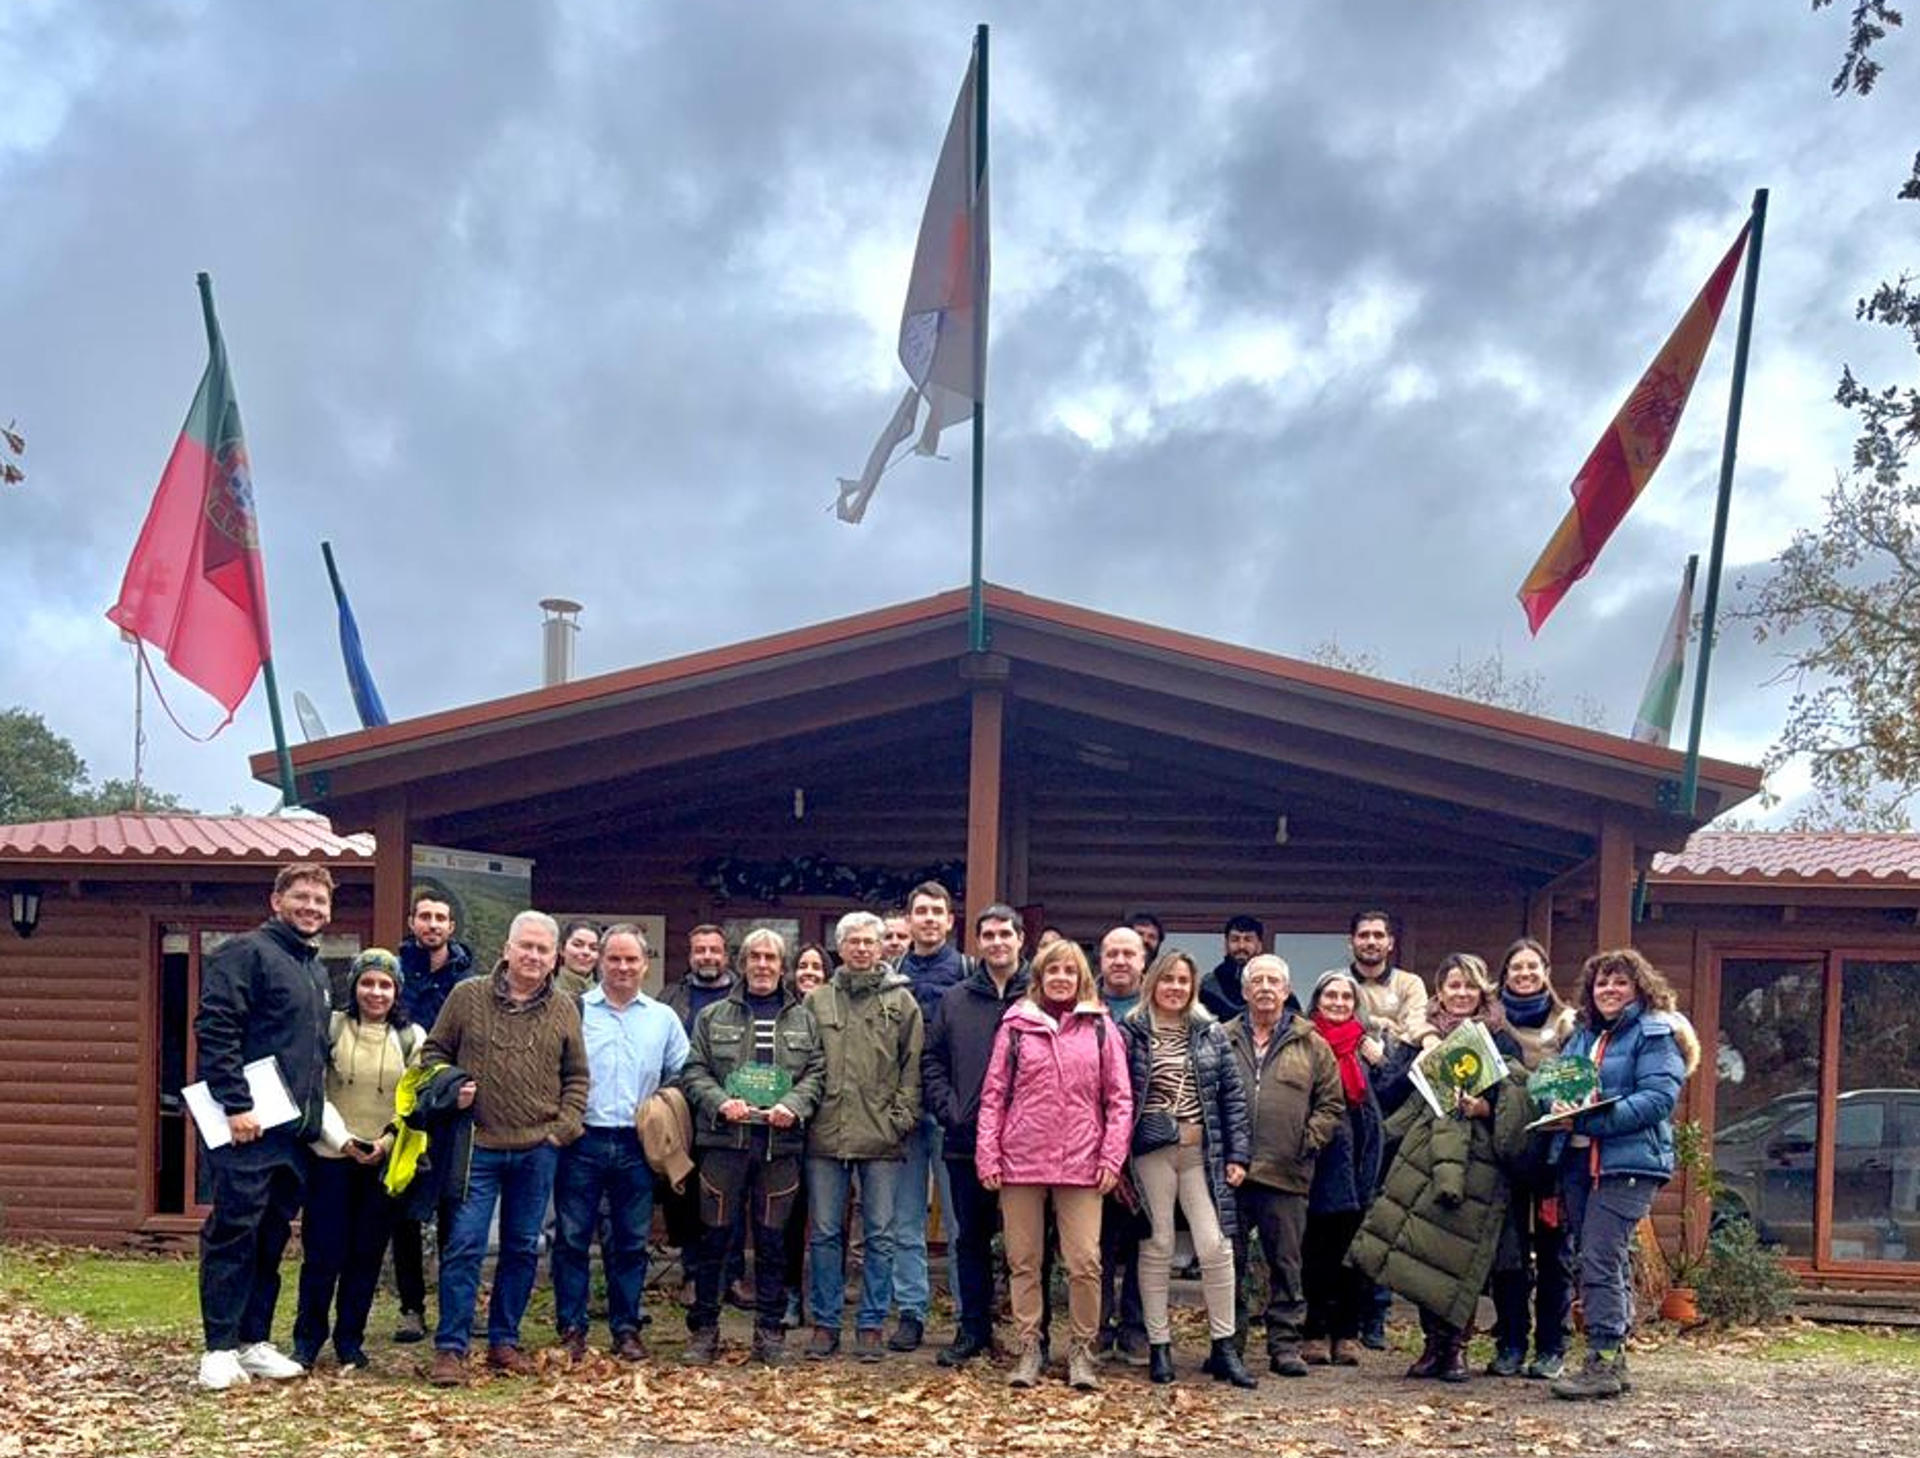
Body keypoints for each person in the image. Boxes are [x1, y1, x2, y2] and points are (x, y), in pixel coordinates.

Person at [1349, 954, 1532, 1385]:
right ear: (1440, 991)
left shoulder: (1501, 1039)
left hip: (1480, 1164)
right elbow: (1389, 1090)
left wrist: (1486, 1108)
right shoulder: (1420, 1037)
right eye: (1454, 985)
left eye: (1469, 986)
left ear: (1482, 991)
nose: (1461, 993)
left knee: (1460, 1256)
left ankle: (1456, 1348)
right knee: (1424, 1251)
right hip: (1425, 1157)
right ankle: (1433, 1344)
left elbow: (1520, 1099)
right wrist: (1416, 1066)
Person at [423, 911, 589, 1386]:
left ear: (554, 959)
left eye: (542, 949)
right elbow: (433, 1053)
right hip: (477, 1146)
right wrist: (451, 1087)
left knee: (522, 1248)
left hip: (538, 1148)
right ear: (507, 949)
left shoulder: (565, 1008)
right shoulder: (466, 996)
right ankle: (451, 1348)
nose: (533, 956)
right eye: (526, 946)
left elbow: (577, 1076)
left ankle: (503, 1341)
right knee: (465, 1244)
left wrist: (562, 1128)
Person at [193, 863, 338, 1391]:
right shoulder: (246, 953)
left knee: (272, 1237)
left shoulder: (314, 969)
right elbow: (217, 1028)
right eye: (302, 897)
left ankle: (253, 1341)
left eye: (320, 901)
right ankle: (217, 1349)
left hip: (291, 1135)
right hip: (246, 1129)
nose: (311, 908)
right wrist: (235, 1103)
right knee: (234, 1233)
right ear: (276, 901)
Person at [976, 939, 1132, 1390]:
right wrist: (989, 1154)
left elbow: (1119, 1099)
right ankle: (1029, 1348)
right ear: (1039, 977)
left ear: (1081, 978)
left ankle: (1082, 1351)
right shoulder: (1016, 1027)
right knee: (1023, 1260)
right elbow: (994, 1096)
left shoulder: (1101, 1027)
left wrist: (1112, 1156)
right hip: (1021, 1160)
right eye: (1053, 971)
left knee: (1085, 1262)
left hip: (1082, 1161)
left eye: (1069, 971)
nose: (1061, 978)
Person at [1546, 948, 1696, 1401]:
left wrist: (1590, 1120)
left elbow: (1657, 1099)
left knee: (1599, 1257)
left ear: (1639, 988)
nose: (1609, 990)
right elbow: (1553, 1084)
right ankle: (1613, 1358)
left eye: (1619, 982)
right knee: (1599, 1258)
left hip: (1627, 1164)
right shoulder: (1581, 1035)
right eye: (1601, 983)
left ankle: (1604, 1360)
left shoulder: (1654, 1034)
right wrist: (1553, 1104)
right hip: (1578, 1162)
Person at [681, 928, 825, 1366]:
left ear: (783, 966)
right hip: (724, 1144)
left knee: (773, 1242)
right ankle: (705, 1330)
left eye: (771, 957)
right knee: (714, 1240)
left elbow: (817, 1073)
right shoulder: (713, 1016)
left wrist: (793, 1105)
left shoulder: (804, 1019)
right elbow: (694, 1070)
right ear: (742, 963)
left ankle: (770, 1333)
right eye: (755, 957)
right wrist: (720, 1102)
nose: (763, 965)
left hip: (779, 1147)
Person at [1121, 951, 1255, 1389]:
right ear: (1153, 983)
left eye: (1183, 980)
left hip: (1201, 1154)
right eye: (1168, 979)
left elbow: (1233, 1097)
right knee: (1158, 1243)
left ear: (1193, 986)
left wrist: (1238, 1156)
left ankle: (1224, 1347)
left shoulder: (1210, 1032)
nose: (1175, 987)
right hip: (1152, 1152)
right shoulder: (1131, 1032)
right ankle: (1159, 1346)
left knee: (1216, 1245)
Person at [553, 925, 686, 1363]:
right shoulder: (575, 1010)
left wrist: (663, 1111)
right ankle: (572, 1328)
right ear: (600, 961)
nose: (623, 967)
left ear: (645, 964)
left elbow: (683, 1073)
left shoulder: (662, 1018)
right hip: (581, 1140)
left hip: (637, 1145)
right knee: (572, 1238)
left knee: (630, 1241)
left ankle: (626, 1328)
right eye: (614, 958)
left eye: (631, 960)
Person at [292, 948, 422, 1371]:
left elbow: (414, 1100)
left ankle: (350, 1339)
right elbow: (315, 1089)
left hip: (383, 1160)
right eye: (368, 983)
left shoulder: (412, 1037)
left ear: (397, 991)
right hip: (331, 1156)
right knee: (322, 1254)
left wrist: (387, 1140)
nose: (376, 992)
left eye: (385, 985)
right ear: (354, 986)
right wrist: (343, 1140)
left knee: (365, 1255)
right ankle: (308, 1339)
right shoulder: (330, 1027)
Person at [803, 910, 923, 1363]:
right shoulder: (817, 1002)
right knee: (825, 1234)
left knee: (881, 1235)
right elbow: (803, 1063)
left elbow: (913, 1067)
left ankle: (871, 1324)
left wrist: (900, 1119)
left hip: (881, 1137)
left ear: (881, 947)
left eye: (869, 942)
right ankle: (826, 1323)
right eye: (853, 941)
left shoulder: (901, 1002)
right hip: (826, 1134)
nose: (861, 949)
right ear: (840, 948)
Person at [1222, 955, 1344, 1377]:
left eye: (1273, 981)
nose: (1265, 988)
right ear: (1244, 991)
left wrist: (1307, 1141)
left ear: (1287, 990)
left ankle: (1285, 1345)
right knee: (1228, 1265)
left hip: (1287, 1174)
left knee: (1287, 1266)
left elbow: (1331, 1103)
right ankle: (1228, 1344)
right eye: (1256, 981)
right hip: (1232, 1174)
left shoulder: (1311, 1043)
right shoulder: (1222, 1037)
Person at [922, 903, 1030, 1366]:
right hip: (966, 1140)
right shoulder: (956, 999)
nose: (997, 942)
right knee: (970, 1239)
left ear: (1020, 938)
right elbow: (932, 1060)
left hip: (1031, 1146)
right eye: (988, 935)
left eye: (1005, 934)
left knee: (1028, 1246)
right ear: (978, 942)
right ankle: (973, 1331)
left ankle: (1032, 1336)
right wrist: (951, 1111)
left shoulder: (1040, 994)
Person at [1488, 937, 1579, 1380]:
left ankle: (1551, 1346)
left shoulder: (1569, 1024)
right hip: (1505, 1152)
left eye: (1532, 966)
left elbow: (1581, 1079)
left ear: (1546, 972)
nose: (1524, 974)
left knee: (1554, 1253)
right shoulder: (1489, 1024)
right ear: (1504, 976)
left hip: (1553, 1158)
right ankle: (1510, 1342)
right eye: (1516, 967)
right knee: (1508, 1254)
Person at [391, 889, 476, 1345]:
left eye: (440, 918)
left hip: (456, 1109)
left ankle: (454, 1307)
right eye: (424, 917)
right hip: (407, 1107)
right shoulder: (396, 973)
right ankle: (411, 1308)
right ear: (412, 923)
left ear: (451, 927)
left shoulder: (469, 979)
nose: (432, 924)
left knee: (453, 1212)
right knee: (406, 1214)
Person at [890, 880, 970, 1352]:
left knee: (960, 1225)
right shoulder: (890, 972)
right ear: (909, 919)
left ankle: (966, 1316)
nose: (929, 919)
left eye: (937, 911)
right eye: (921, 911)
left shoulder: (968, 971)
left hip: (950, 1113)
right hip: (903, 1112)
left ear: (949, 920)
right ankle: (911, 1313)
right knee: (906, 1222)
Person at [1300, 970, 1385, 1368]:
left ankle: (1347, 1333)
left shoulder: (1366, 1046)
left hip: (1359, 1161)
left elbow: (1387, 1095)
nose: (1338, 1002)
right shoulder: (1303, 1041)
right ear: (1317, 1000)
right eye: (1330, 995)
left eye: (1346, 997)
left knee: (1354, 1253)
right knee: (1317, 1250)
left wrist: (1381, 1062)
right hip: (1319, 1158)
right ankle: (1315, 1331)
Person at [1092, 924, 1150, 1362]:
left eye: (1129, 953)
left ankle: (1135, 1327)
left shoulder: (1161, 1006)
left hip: (1148, 1141)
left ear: (1143, 960)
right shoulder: (1083, 1004)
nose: (1120, 961)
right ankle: (1096, 1325)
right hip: (1091, 1140)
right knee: (1097, 1241)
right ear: (1101, 959)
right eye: (1112, 953)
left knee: (1145, 1240)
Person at [780, 942, 834, 1327]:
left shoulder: (834, 1009)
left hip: (829, 1125)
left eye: (817, 967)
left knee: (828, 1221)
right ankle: (790, 1294)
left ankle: (825, 1296)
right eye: (803, 965)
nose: (809, 973)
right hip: (789, 1126)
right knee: (790, 1216)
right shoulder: (784, 1012)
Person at [1199, 915, 1265, 1022]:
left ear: (1259, 945)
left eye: (1248, 940)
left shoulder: (1274, 987)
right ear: (1226, 945)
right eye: (1235, 939)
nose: (1241, 946)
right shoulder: (1208, 987)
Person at [555, 919, 603, 1000]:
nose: (586, 952)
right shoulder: (547, 994)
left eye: (593, 948)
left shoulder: (605, 996)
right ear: (562, 949)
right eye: (577, 945)